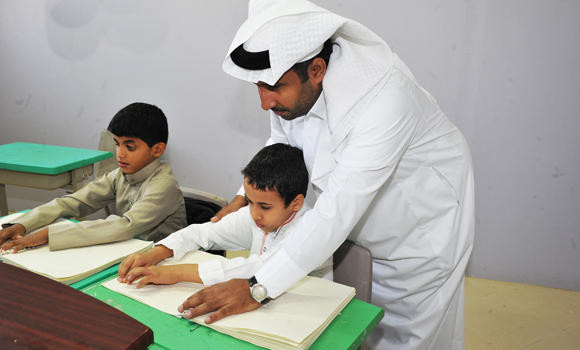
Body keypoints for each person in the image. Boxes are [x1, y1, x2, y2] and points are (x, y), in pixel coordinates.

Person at [181, 1, 475, 349]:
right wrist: (241, 199)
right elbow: (281, 143)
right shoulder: (293, 87)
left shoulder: (385, 98)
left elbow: (338, 209)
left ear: (317, 69)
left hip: (415, 228)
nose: (264, 102)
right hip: (344, 221)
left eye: (273, 87)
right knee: (339, 322)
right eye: (258, 86)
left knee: (407, 334)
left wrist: (258, 286)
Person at [116, 144, 333, 311]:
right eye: (249, 201)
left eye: (265, 206)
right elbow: (203, 232)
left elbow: (260, 269)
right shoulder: (258, 216)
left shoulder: (310, 229)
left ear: (295, 203)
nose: (254, 213)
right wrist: (157, 253)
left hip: (306, 313)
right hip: (265, 306)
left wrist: (175, 272)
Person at [0, 102, 187, 252]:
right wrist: (22, 225)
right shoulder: (120, 175)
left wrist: (48, 234)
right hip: (126, 252)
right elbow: (73, 202)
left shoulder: (164, 185)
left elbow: (125, 226)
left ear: (157, 149)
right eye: (117, 144)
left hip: (160, 261)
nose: (120, 154)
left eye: (129, 147)